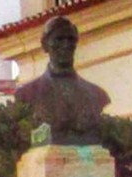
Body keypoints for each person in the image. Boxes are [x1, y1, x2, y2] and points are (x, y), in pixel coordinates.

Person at [12, 17, 111, 145]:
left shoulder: (97, 94)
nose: (66, 45)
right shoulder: (26, 95)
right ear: (45, 45)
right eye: (59, 39)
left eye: (70, 40)